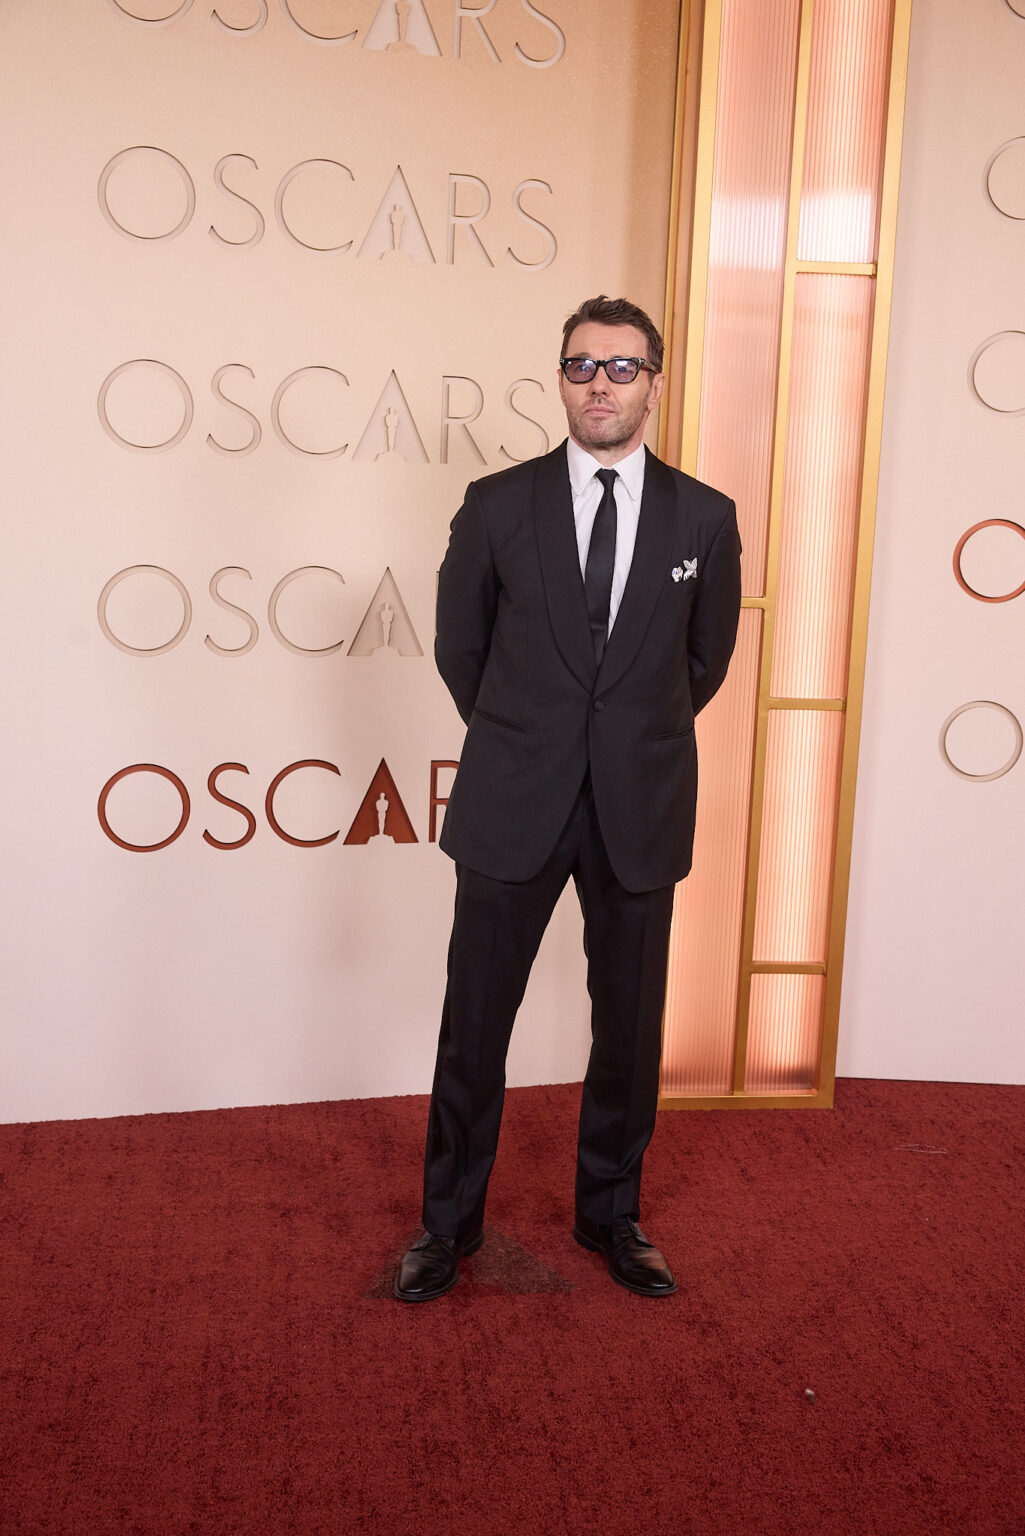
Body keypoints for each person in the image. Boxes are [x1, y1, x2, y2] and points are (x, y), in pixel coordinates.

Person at [394, 296, 741, 1302]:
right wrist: (525, 735)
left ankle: (610, 1215)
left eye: (621, 368)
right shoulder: (496, 504)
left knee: (628, 1028)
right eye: (581, 366)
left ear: (653, 383)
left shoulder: (702, 516)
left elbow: (701, 661)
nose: (600, 384)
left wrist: (619, 736)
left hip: (638, 805)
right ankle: (446, 1228)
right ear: (559, 378)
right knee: (474, 1023)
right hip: (514, 799)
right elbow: (462, 650)